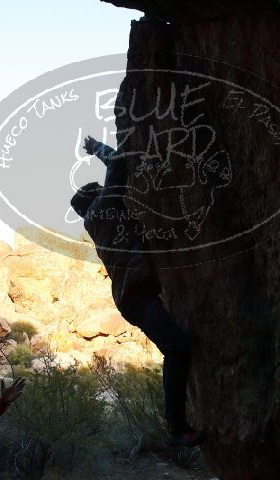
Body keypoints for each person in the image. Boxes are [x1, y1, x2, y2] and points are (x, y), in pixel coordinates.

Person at [70, 136, 206, 447]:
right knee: (177, 347)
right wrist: (94, 149)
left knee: (175, 347)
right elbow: (118, 163)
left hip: (134, 295)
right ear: (95, 197)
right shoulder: (101, 211)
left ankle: (176, 425)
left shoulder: (99, 219)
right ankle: (175, 428)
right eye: (101, 190)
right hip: (136, 295)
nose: (106, 191)